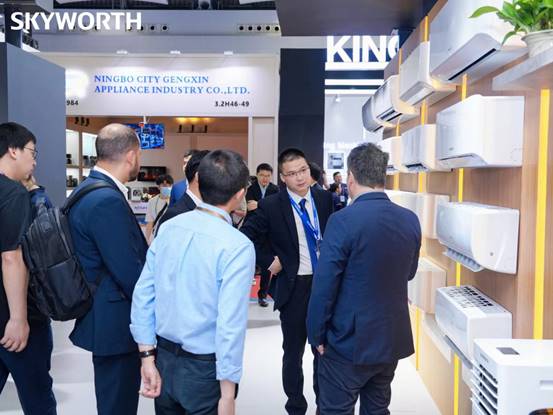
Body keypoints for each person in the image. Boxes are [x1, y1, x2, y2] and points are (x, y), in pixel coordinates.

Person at [130, 150, 254, 415]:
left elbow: (144, 294)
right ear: (240, 194)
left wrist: (147, 358)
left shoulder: (170, 227)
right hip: (204, 370)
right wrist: (228, 395)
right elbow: (230, 324)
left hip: (163, 359)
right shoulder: (237, 245)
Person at [307, 143, 421, 415]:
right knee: (377, 408)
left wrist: (316, 334)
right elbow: (409, 273)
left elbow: (324, 286)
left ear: (350, 177)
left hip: (347, 341)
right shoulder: (410, 219)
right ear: (383, 176)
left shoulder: (342, 220)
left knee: (335, 410)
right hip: (389, 338)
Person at [241, 148, 333, 415]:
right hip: (294, 287)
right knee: (293, 353)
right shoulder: (272, 205)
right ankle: (295, 406)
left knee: (324, 351)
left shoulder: (324, 198)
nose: (300, 178)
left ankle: (324, 405)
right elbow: (246, 237)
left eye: (303, 170)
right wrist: (269, 260)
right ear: (282, 177)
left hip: (324, 285)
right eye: (292, 174)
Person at [67, 123, 148, 415]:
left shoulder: (88, 190)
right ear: (131, 155)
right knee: (118, 403)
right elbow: (128, 269)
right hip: (115, 322)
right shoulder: (106, 200)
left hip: (104, 314)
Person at [0, 122, 56, 414]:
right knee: (38, 400)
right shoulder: (13, 194)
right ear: (13, 150)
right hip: (14, 317)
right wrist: (19, 318)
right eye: (32, 152)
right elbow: (11, 257)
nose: (34, 161)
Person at [245, 163, 279, 307]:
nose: (265, 178)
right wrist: (265, 205)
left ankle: (262, 296)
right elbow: (250, 206)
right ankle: (243, 295)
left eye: (268, 176)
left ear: (271, 176)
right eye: (262, 175)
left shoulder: (275, 189)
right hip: (252, 230)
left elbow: (274, 209)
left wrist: (259, 204)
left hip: (268, 232)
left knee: (267, 266)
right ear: (257, 175)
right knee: (248, 264)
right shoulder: (250, 189)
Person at [155, 150, 209, 232]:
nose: (186, 166)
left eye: (189, 163)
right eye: (184, 163)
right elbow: (171, 209)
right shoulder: (176, 187)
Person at [145, 174, 174, 242]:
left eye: (169, 185)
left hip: (172, 235)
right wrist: (147, 240)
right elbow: (150, 222)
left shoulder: (176, 199)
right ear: (158, 187)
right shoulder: (152, 201)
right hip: (157, 235)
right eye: (164, 185)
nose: (167, 187)